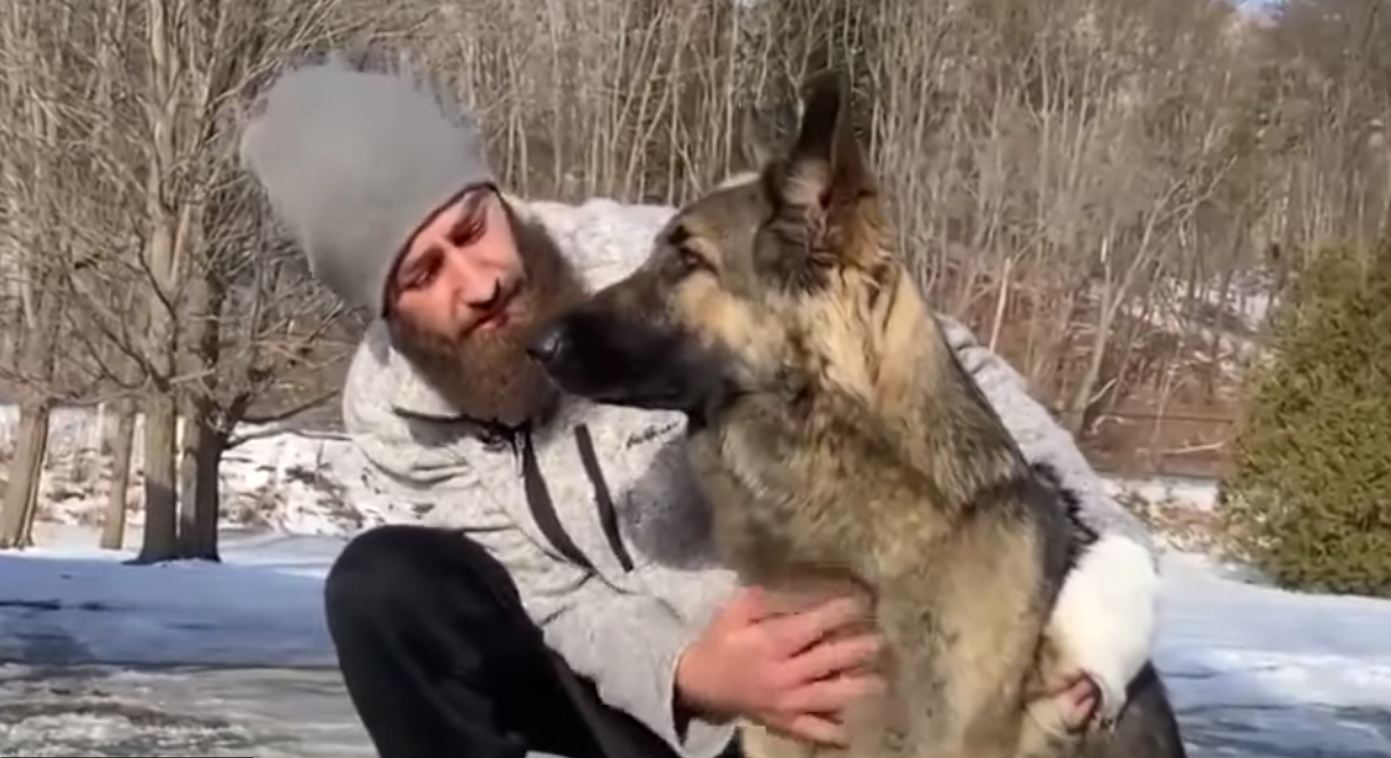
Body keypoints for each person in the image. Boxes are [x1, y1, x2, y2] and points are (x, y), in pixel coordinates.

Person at [238, 57, 1161, 758]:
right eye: (422, 275)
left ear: (494, 195)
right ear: (384, 311)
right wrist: (688, 674)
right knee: (385, 590)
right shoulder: (393, 414)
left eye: (471, 228)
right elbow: (548, 597)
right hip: (635, 685)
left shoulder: (655, 257)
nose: (477, 281)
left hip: (804, 683)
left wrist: (1107, 582)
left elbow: (934, 365)